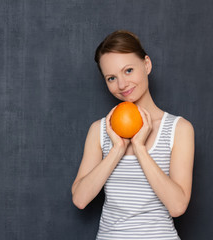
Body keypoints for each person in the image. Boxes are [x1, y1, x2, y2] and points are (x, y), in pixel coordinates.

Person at [71, 30, 195, 239]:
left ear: (146, 64)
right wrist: (117, 149)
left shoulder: (179, 129)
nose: (121, 85)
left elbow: (177, 206)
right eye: (111, 78)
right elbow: (80, 200)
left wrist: (140, 148)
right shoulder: (99, 130)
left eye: (128, 70)